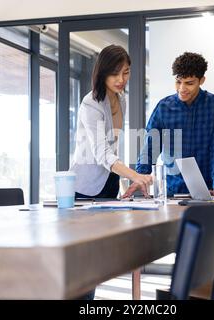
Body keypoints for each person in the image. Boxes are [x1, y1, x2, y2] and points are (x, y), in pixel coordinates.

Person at [69, 44, 152, 299]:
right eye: (115, 73)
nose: (121, 79)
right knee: (83, 261)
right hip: (84, 187)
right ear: (102, 72)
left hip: (108, 182)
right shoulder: (90, 105)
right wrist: (135, 174)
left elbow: (112, 146)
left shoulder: (121, 99)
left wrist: (124, 177)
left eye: (126, 72)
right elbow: (102, 153)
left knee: (97, 259)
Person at [123, 52, 214, 198]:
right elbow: (150, 146)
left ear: (202, 80)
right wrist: (140, 177)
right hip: (173, 190)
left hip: (209, 189)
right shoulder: (164, 107)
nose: (182, 88)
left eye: (189, 83)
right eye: (178, 81)